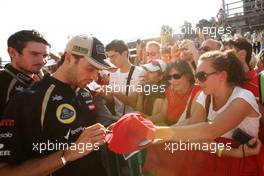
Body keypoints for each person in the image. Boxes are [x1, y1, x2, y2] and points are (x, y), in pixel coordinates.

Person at [0, 34, 111, 176]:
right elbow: (5, 171)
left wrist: (112, 131)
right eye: (90, 68)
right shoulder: (26, 101)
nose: (95, 77)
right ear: (69, 57)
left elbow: (88, 137)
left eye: (98, 70)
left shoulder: (85, 92)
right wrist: (69, 154)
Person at [151, 50, 263, 175]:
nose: (198, 82)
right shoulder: (205, 96)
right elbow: (197, 136)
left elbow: (210, 131)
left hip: (242, 166)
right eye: (196, 76)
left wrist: (157, 132)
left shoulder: (243, 98)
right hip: (218, 158)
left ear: (222, 76)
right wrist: (155, 134)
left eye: (202, 76)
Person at [0, 30, 50, 117]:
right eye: (34, 54)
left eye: (45, 56)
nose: (42, 61)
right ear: (12, 53)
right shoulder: (3, 83)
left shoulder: (44, 81)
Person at [147, 59, 201, 125]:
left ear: (188, 75)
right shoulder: (170, 90)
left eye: (176, 76)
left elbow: (193, 123)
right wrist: (146, 120)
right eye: (169, 77)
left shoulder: (198, 92)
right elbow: (163, 115)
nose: (172, 81)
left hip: (183, 132)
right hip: (170, 128)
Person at [103, 39, 144, 118]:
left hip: (133, 120)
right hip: (118, 119)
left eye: (113, 56)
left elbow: (134, 103)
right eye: (109, 58)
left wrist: (113, 91)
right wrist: (102, 93)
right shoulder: (113, 73)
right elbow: (113, 100)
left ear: (125, 54)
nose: (111, 60)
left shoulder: (139, 73)